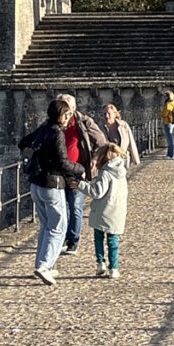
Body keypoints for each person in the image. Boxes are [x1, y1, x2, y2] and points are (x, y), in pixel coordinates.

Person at [19, 100, 86, 285]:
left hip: (36, 184)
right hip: (52, 185)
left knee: (46, 225)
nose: (67, 118)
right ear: (59, 115)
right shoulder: (57, 133)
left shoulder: (43, 128)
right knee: (58, 227)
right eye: (65, 115)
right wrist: (79, 169)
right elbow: (62, 163)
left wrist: (37, 160)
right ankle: (44, 266)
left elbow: (23, 143)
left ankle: (41, 264)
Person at [55, 94, 106, 256]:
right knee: (62, 207)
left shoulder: (83, 122)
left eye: (68, 107)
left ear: (74, 108)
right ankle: (62, 238)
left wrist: (95, 158)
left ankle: (73, 241)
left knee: (75, 207)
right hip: (58, 171)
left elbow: (101, 141)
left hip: (77, 171)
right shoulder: (55, 122)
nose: (66, 111)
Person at [80, 143, 129, 279]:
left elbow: (97, 192)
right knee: (113, 240)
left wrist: (81, 185)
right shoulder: (122, 171)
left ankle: (100, 263)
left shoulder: (106, 172)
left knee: (99, 237)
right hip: (117, 210)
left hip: (103, 210)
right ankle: (114, 268)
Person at [102, 104, 140, 168]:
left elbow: (131, 142)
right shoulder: (101, 128)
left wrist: (136, 159)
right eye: (104, 114)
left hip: (122, 160)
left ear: (115, 114)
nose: (106, 116)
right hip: (107, 162)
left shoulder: (123, 125)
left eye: (109, 113)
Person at [159, 90, 174, 159]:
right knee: (170, 138)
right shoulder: (173, 103)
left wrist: (158, 113)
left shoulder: (168, 104)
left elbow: (164, 114)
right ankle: (170, 153)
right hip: (172, 122)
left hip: (167, 122)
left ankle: (170, 154)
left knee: (169, 139)